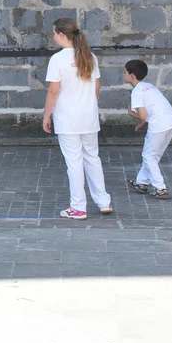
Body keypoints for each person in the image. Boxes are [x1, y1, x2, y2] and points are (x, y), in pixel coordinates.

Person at [42, 17, 112, 220]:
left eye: (54, 33)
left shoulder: (57, 59)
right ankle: (103, 201)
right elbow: (96, 86)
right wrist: (88, 105)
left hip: (67, 117)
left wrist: (47, 114)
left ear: (62, 35)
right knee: (92, 158)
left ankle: (78, 207)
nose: (53, 36)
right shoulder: (90, 56)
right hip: (89, 116)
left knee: (74, 162)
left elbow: (53, 91)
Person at [124, 59, 172, 199]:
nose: (123, 74)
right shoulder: (149, 86)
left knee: (149, 156)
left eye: (125, 72)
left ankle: (160, 188)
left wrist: (131, 114)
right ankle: (142, 183)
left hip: (159, 125)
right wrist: (143, 123)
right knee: (153, 156)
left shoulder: (137, 92)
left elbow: (143, 115)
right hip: (171, 121)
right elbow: (154, 108)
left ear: (132, 76)